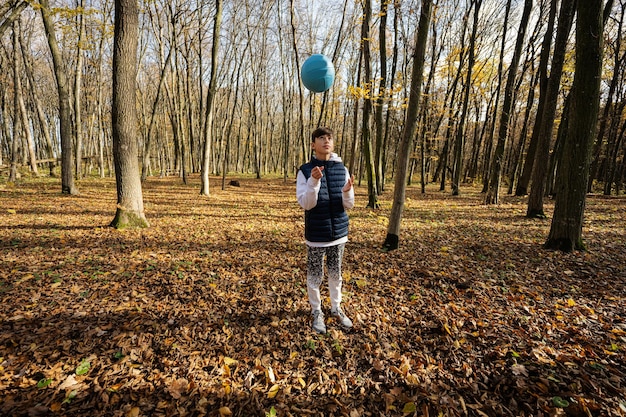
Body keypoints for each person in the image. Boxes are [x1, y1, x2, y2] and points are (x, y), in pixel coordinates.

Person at [296, 127, 355, 334]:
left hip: (339, 234)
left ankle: (336, 308)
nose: (326, 141)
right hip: (316, 235)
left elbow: (349, 205)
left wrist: (347, 193)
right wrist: (313, 181)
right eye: (321, 138)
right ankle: (316, 311)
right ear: (313, 144)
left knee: (336, 274)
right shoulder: (304, 170)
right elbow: (307, 204)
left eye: (329, 138)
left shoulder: (342, 169)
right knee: (314, 276)